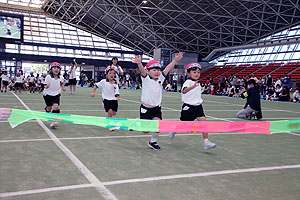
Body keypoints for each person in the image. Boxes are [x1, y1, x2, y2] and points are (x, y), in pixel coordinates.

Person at [132, 52, 183, 150]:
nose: (157, 72)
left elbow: (167, 69)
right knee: (145, 131)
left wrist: (175, 60)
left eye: (158, 70)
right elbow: (142, 71)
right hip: (145, 109)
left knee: (158, 125)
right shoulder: (146, 79)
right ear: (148, 71)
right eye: (154, 69)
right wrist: (139, 63)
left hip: (156, 109)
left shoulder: (160, 79)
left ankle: (153, 142)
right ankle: (137, 120)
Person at [168, 63, 216, 150]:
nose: (197, 74)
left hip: (198, 107)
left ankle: (206, 142)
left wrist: (200, 100)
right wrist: (193, 87)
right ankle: (174, 130)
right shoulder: (188, 82)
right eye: (194, 72)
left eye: (198, 72)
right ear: (188, 73)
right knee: (183, 125)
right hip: (189, 108)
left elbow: (195, 94)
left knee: (204, 123)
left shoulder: (197, 83)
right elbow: (184, 91)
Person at [90, 66, 120, 130]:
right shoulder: (103, 82)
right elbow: (96, 85)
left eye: (113, 73)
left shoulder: (115, 83)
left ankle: (110, 120)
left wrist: (118, 97)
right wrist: (93, 92)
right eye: (110, 73)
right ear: (106, 75)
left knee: (114, 113)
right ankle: (110, 125)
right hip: (106, 99)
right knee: (110, 111)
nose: (112, 75)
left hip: (114, 100)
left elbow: (117, 91)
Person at [43, 62, 66, 128]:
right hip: (47, 94)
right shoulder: (48, 77)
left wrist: (63, 87)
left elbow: (62, 83)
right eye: (54, 67)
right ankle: (47, 112)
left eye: (58, 68)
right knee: (49, 108)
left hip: (56, 94)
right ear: (51, 69)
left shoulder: (61, 77)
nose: (56, 69)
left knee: (56, 107)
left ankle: (54, 121)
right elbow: (45, 85)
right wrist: (46, 86)